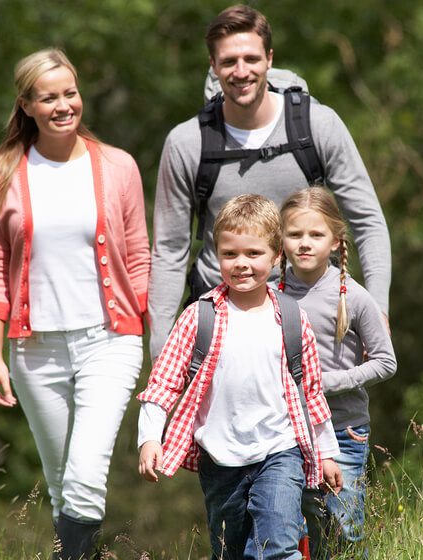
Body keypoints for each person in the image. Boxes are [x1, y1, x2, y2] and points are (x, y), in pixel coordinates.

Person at [0, 48, 150, 560]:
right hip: (34, 350)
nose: (63, 105)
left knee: (82, 478)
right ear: (27, 105)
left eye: (70, 93)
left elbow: (141, 256)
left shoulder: (117, 166)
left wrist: (153, 332)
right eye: (48, 97)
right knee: (59, 487)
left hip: (110, 340)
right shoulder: (4, 172)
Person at [148, 4, 391, 359]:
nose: (241, 71)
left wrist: (377, 311)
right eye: (229, 62)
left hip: (312, 316)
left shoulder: (318, 126)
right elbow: (169, 250)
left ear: (269, 60)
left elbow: (367, 221)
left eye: (251, 58)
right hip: (223, 320)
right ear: (213, 67)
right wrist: (161, 348)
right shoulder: (187, 143)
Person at [137, 194, 344, 560]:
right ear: (217, 256)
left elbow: (310, 392)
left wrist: (326, 452)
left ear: (276, 255)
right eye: (230, 253)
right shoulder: (200, 316)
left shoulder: (290, 316)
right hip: (221, 457)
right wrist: (149, 438)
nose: (241, 263)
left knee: (277, 551)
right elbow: (162, 383)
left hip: (280, 451)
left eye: (254, 252)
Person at [278, 187, 397, 560]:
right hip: (284, 431)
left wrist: (326, 382)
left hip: (343, 429)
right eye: (295, 235)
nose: (305, 244)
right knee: (291, 525)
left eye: (316, 235)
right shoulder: (269, 295)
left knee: (342, 526)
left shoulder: (354, 296)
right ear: (281, 239)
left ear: (335, 241)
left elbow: (385, 362)